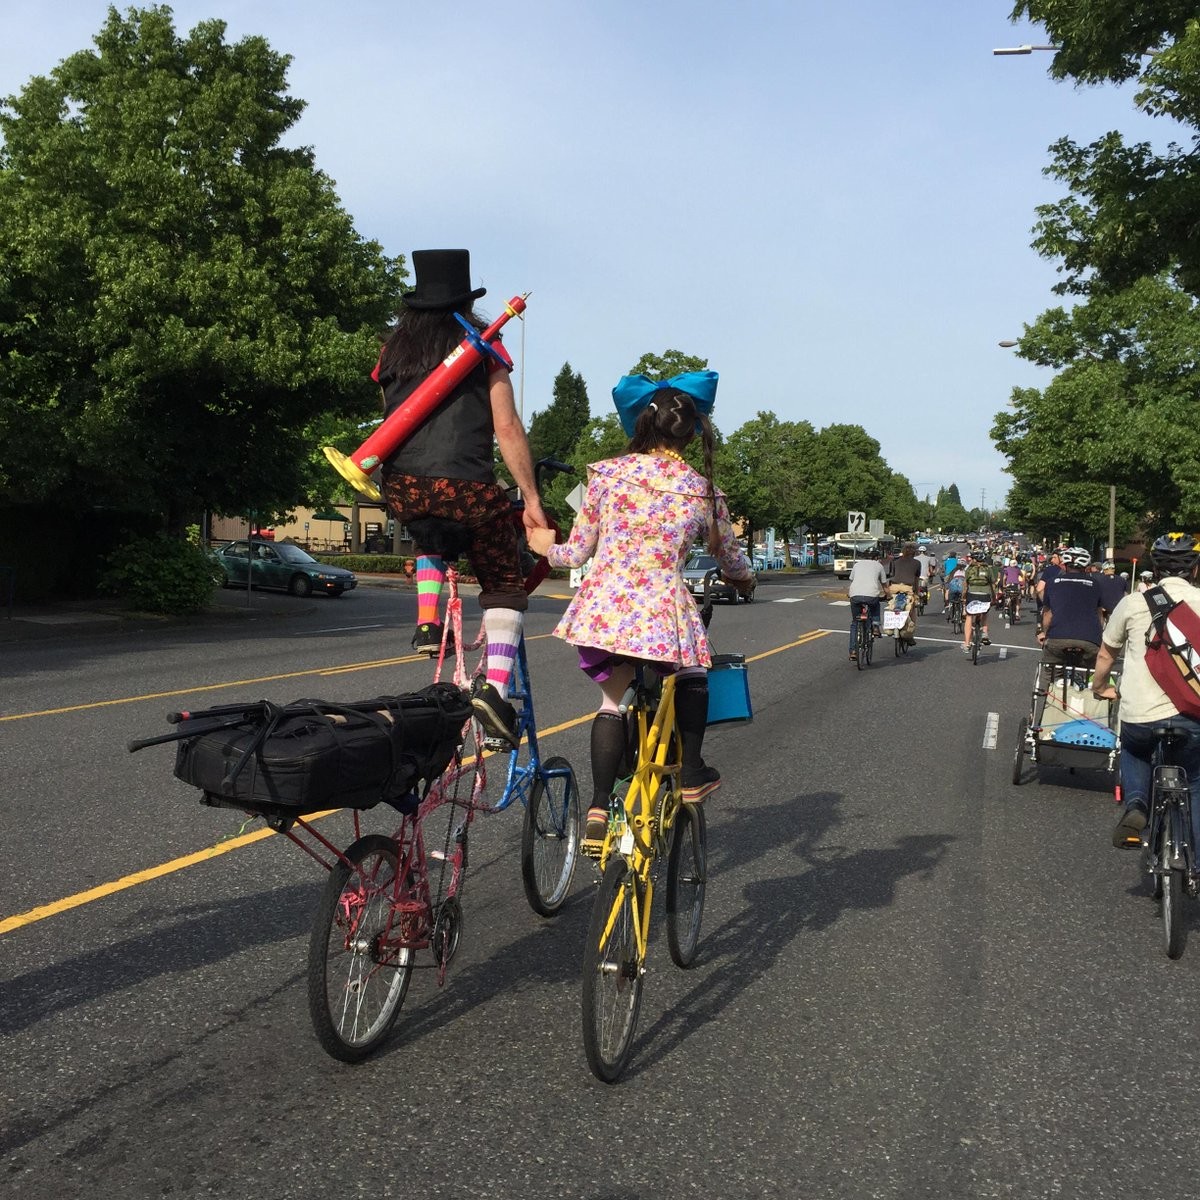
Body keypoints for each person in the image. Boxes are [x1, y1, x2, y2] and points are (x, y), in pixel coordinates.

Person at [527, 372, 753, 850]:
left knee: (611, 704)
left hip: (606, 610)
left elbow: (577, 553)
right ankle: (691, 771)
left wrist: (547, 546)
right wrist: (743, 577)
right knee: (694, 668)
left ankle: (598, 805)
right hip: (662, 612)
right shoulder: (702, 492)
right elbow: (731, 558)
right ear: (691, 434)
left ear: (643, 423)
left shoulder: (606, 475)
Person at [373, 249, 549, 747]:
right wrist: (531, 498)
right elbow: (507, 428)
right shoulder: (482, 347)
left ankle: (427, 625)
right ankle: (493, 691)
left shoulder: (392, 352)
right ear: (465, 301)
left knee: (430, 523)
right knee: (503, 581)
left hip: (402, 489)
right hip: (467, 487)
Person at [1092, 534, 1200, 848]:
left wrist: (1101, 688)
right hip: (1192, 715)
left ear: (1154, 566)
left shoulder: (1133, 603)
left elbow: (1105, 655)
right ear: (1194, 569)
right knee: (1195, 780)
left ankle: (1137, 804)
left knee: (1134, 748)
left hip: (1140, 714)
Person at [1036, 547, 1105, 665]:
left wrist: (1045, 633)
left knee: (1050, 670)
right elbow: (1100, 616)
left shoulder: (1053, 582)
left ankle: (1047, 682)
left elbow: (1048, 615)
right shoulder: (1095, 584)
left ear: (1065, 565)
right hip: (1089, 639)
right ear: (1086, 566)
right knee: (1092, 672)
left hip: (1058, 638)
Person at [847, 549, 889, 660]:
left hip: (855, 595)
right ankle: (875, 626)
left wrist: (850, 594)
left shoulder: (857, 565)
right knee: (875, 605)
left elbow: (852, 580)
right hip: (871, 596)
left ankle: (853, 651)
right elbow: (884, 585)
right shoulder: (879, 566)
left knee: (855, 623)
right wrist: (888, 596)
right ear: (876, 557)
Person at [961, 549, 998, 654]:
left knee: (969, 617)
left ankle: (967, 644)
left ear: (974, 559)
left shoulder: (969, 569)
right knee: (985, 613)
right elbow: (993, 584)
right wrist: (994, 598)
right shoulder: (988, 569)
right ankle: (984, 633)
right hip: (985, 595)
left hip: (972, 594)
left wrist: (964, 597)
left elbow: (965, 584)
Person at [886, 542, 921, 646]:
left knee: (891, 605)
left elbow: (891, 576)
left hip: (894, 587)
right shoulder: (917, 563)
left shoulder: (895, 562)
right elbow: (916, 579)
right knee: (912, 610)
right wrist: (916, 593)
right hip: (907, 588)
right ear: (914, 553)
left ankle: (890, 628)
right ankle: (910, 635)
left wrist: (888, 591)